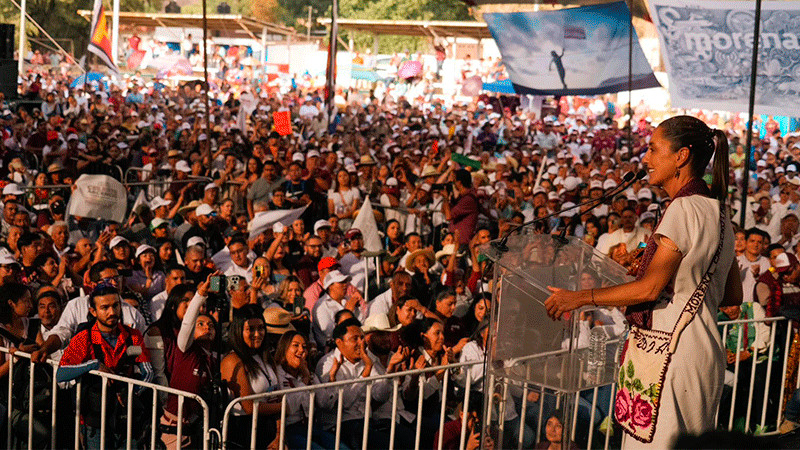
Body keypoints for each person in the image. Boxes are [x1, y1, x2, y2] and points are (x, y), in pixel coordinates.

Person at [545, 115, 742, 448]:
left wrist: (578, 298)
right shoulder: (720, 211)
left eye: (653, 149)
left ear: (681, 157)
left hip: (670, 355)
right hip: (704, 354)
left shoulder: (682, 210)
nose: (646, 159)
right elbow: (731, 293)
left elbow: (650, 289)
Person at [56, 282, 154, 448]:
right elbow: (61, 373)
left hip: (127, 418)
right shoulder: (84, 338)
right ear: (93, 311)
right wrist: (93, 365)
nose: (112, 312)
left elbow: (148, 373)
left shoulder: (133, 336)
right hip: (95, 420)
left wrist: (131, 393)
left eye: (116, 306)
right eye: (105, 307)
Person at [221, 304, 282, 449]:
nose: (257, 334)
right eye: (251, 329)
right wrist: (284, 407)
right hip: (244, 432)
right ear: (238, 331)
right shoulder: (232, 361)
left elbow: (278, 395)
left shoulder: (265, 356)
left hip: (271, 429)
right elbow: (248, 407)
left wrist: (279, 436)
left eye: (261, 328)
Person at [273, 330, 338, 450]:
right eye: (295, 345)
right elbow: (289, 407)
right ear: (284, 349)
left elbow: (325, 403)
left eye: (304, 347)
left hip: (311, 427)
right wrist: (305, 381)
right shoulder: (276, 374)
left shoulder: (309, 373)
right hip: (288, 430)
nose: (302, 350)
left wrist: (332, 378)